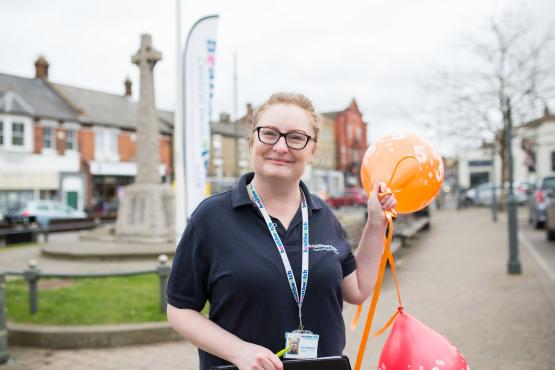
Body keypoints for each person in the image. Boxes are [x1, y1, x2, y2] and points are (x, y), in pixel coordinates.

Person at [167, 92, 396, 370]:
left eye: (296, 137)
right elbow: (179, 309)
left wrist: (375, 224)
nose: (281, 146)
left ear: (312, 151)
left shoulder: (323, 216)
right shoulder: (211, 218)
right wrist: (238, 351)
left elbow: (357, 289)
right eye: (270, 133)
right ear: (252, 141)